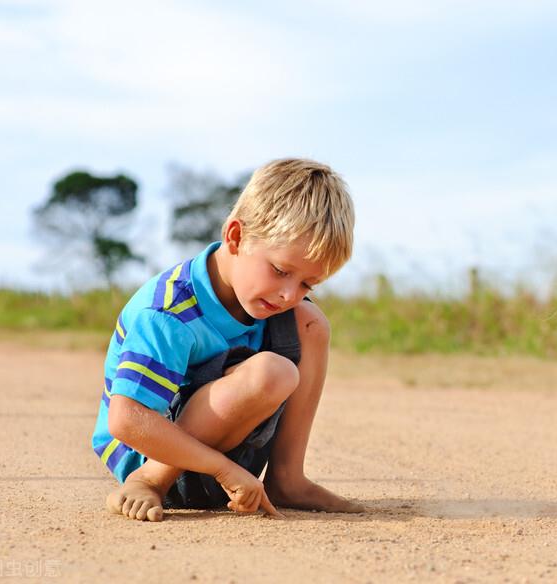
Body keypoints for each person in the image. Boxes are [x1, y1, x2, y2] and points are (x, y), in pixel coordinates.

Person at [92, 158, 364, 521]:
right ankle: (148, 482)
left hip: (232, 458)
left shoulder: (277, 306)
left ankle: (287, 478)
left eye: (306, 284)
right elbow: (126, 420)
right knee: (272, 372)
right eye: (281, 271)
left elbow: (295, 312)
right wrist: (220, 469)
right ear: (236, 237)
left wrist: (228, 467)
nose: (288, 294)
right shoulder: (169, 311)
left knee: (311, 322)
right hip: (156, 453)